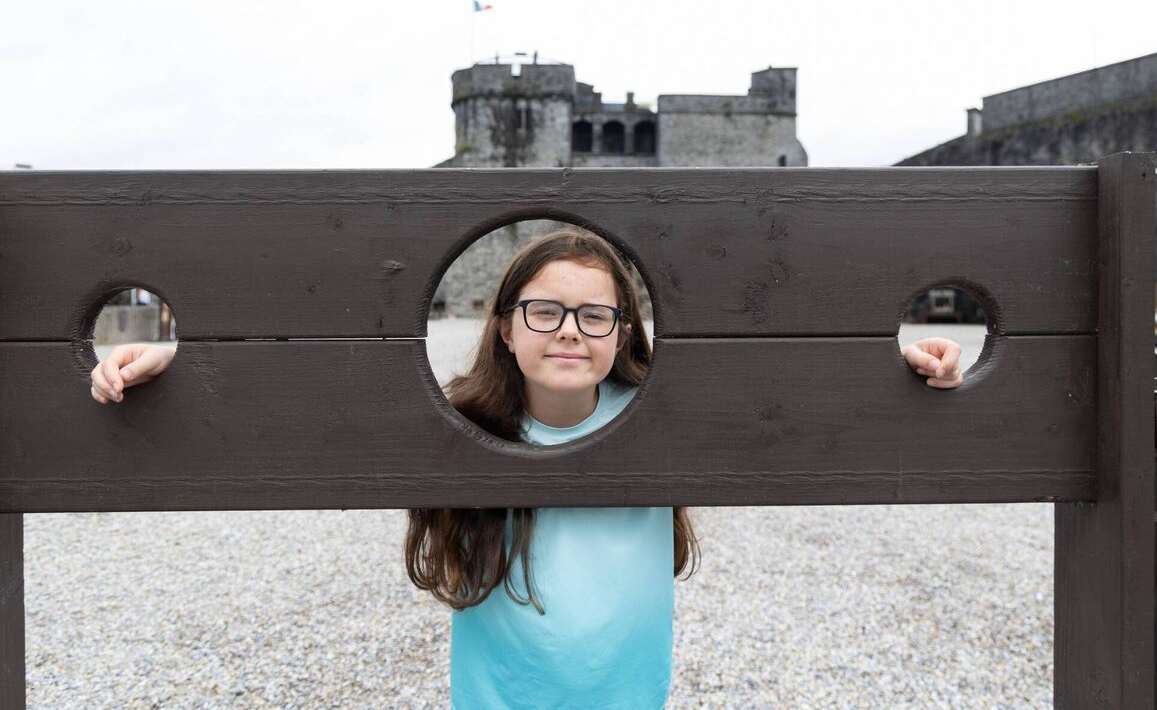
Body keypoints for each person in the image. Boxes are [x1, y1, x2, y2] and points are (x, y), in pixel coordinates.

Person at [89, 228, 965, 708]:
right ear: (504, 327)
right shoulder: (460, 425)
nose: (570, 332)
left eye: (596, 316)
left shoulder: (665, 421)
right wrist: (177, 368)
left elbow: (800, 408)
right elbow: (284, 416)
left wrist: (908, 366)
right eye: (544, 311)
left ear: (625, 333)